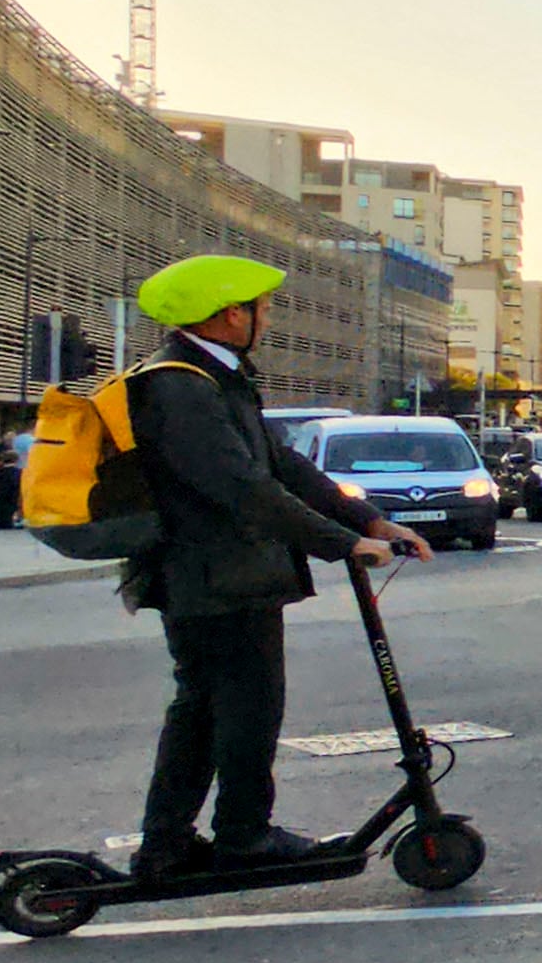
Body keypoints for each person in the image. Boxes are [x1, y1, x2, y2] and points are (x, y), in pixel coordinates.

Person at [123, 257, 427, 878]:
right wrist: (340, 544)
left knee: (209, 712)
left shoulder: (213, 378)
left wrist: (369, 521)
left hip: (227, 577)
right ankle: (239, 835)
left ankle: (170, 843)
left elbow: (283, 466)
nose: (268, 317)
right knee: (242, 710)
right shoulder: (179, 387)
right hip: (213, 579)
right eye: (262, 307)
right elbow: (244, 489)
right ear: (232, 314)